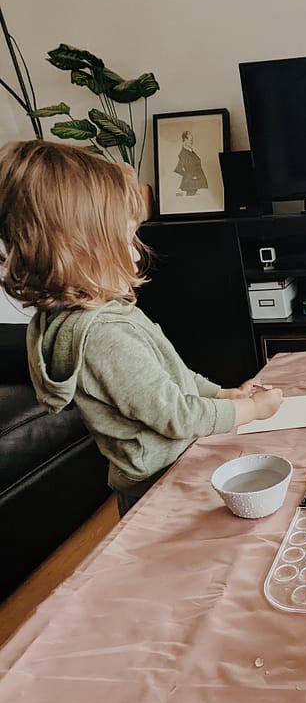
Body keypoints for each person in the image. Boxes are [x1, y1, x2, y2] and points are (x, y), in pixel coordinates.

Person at [0, 140, 283, 516]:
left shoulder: (90, 315)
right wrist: (253, 410)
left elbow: (171, 377)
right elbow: (177, 417)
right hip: (160, 486)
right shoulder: (103, 336)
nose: (136, 252)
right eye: (124, 238)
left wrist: (224, 394)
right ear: (77, 249)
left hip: (169, 471)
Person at [174, 130, 208, 196]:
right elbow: (178, 169)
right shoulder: (183, 154)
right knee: (191, 201)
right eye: (190, 140)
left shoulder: (190, 151)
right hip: (191, 184)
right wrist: (190, 175)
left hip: (196, 182)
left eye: (192, 140)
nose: (192, 142)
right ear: (185, 140)